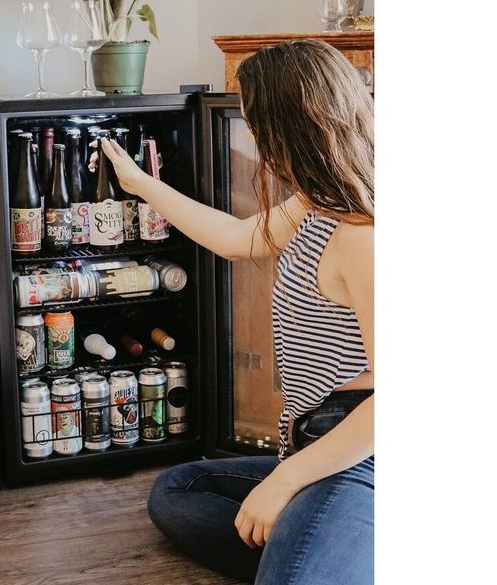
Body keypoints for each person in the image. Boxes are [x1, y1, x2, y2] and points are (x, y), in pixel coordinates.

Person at [100, 38, 374, 585]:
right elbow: (235, 237)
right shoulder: (317, 201)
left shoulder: (362, 236)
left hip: (358, 456)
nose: (252, 137)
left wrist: (283, 482)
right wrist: (138, 183)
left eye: (257, 123)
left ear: (295, 125)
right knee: (177, 493)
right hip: (311, 444)